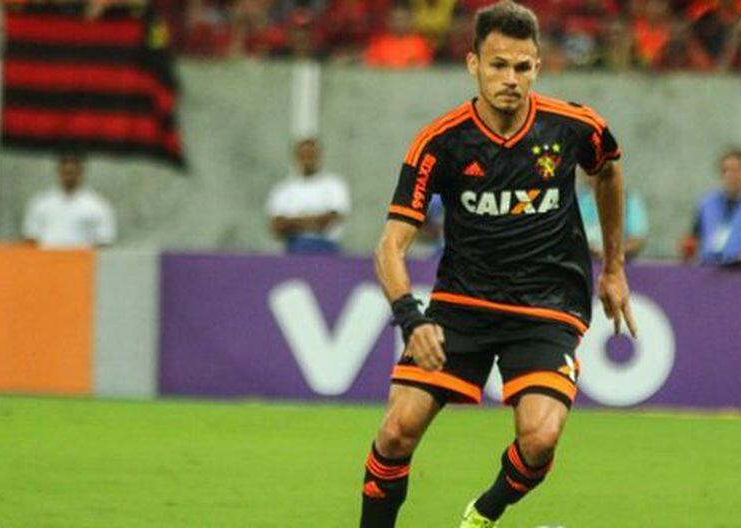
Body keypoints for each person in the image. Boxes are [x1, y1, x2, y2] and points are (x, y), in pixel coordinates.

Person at [361, 2, 637, 527]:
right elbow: (389, 246)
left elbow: (608, 171)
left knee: (541, 438)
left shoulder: (574, 126)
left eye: (523, 67)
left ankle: (484, 513)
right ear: (473, 64)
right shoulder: (440, 142)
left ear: (538, 67)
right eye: (498, 65)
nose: (511, 78)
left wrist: (614, 268)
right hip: (461, 304)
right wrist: (411, 318)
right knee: (396, 431)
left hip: (546, 304)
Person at [266, 138, 350, 254]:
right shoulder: (282, 190)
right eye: (303, 155)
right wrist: (313, 220)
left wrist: (291, 222)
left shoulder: (334, 185)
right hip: (293, 249)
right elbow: (277, 228)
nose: (307, 159)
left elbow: (328, 221)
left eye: (310, 154)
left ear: (318, 156)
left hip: (327, 249)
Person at [22, 151, 116, 249]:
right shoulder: (40, 203)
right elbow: (30, 238)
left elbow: (104, 242)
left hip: (81, 258)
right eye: (65, 163)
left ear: (82, 169)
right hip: (46, 258)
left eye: (74, 163)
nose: (69, 168)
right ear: (58, 169)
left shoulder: (98, 206)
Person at [577, 171, 648, 261]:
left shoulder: (629, 200)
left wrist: (611, 253)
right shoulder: (578, 200)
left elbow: (637, 238)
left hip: (621, 263)